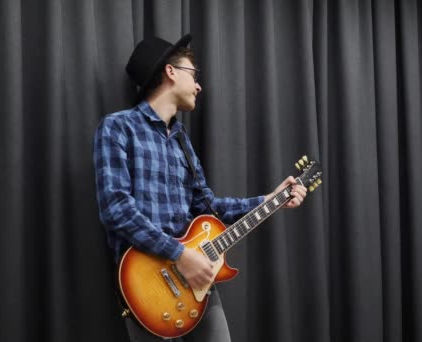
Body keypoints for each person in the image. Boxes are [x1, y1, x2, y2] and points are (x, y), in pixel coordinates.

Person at [93, 33, 308, 342]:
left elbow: (209, 207)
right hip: (147, 285)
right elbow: (116, 209)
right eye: (193, 75)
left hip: (199, 278)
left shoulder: (182, 141)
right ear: (170, 72)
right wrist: (179, 254)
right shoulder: (117, 127)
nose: (198, 85)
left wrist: (269, 199)